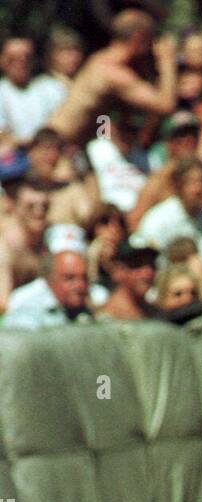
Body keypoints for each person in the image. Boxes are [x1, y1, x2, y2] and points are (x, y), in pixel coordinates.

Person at [48, 10, 177, 144]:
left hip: (61, 141)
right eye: (150, 40)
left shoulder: (99, 59)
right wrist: (167, 61)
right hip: (54, 146)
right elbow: (166, 105)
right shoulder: (113, 73)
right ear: (138, 38)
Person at [135, 157, 202, 276]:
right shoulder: (158, 218)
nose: (198, 189)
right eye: (192, 182)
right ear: (178, 185)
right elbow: (142, 254)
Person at [3, 245, 93, 327]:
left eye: (84, 278)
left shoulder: (83, 303)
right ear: (50, 279)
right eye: (69, 278)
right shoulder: (27, 305)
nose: (80, 285)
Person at [0, 35, 64, 146]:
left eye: (26, 57)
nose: (21, 63)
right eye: (13, 59)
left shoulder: (51, 87)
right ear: (2, 60)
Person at [0, 177, 50, 311]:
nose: (39, 212)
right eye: (30, 206)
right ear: (15, 207)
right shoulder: (5, 247)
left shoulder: (48, 240)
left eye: (44, 206)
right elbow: (3, 305)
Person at [97, 238, 160, 319]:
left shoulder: (154, 311)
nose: (148, 273)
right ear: (117, 271)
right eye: (137, 265)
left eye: (152, 265)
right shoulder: (107, 317)